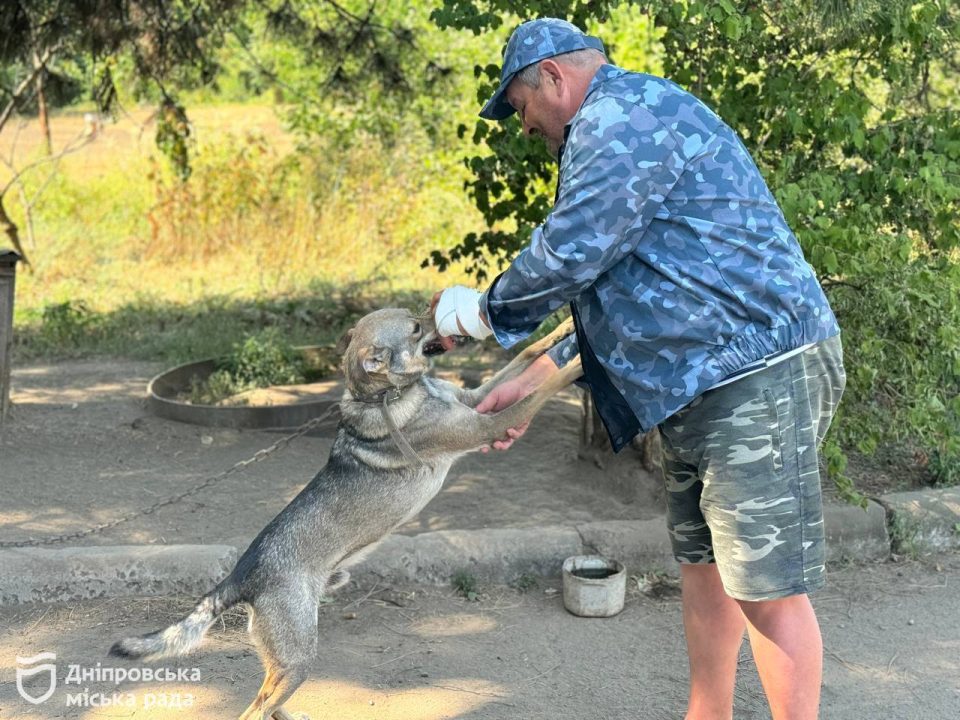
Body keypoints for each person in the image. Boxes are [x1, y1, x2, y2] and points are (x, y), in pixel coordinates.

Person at [432, 17, 845, 720]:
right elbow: (615, 291)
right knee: (705, 570)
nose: (526, 130)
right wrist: (528, 384)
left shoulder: (622, 119)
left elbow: (569, 254)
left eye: (523, 111)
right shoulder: (616, 126)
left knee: (765, 587)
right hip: (699, 386)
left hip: (754, 375)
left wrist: (483, 314)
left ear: (554, 77)